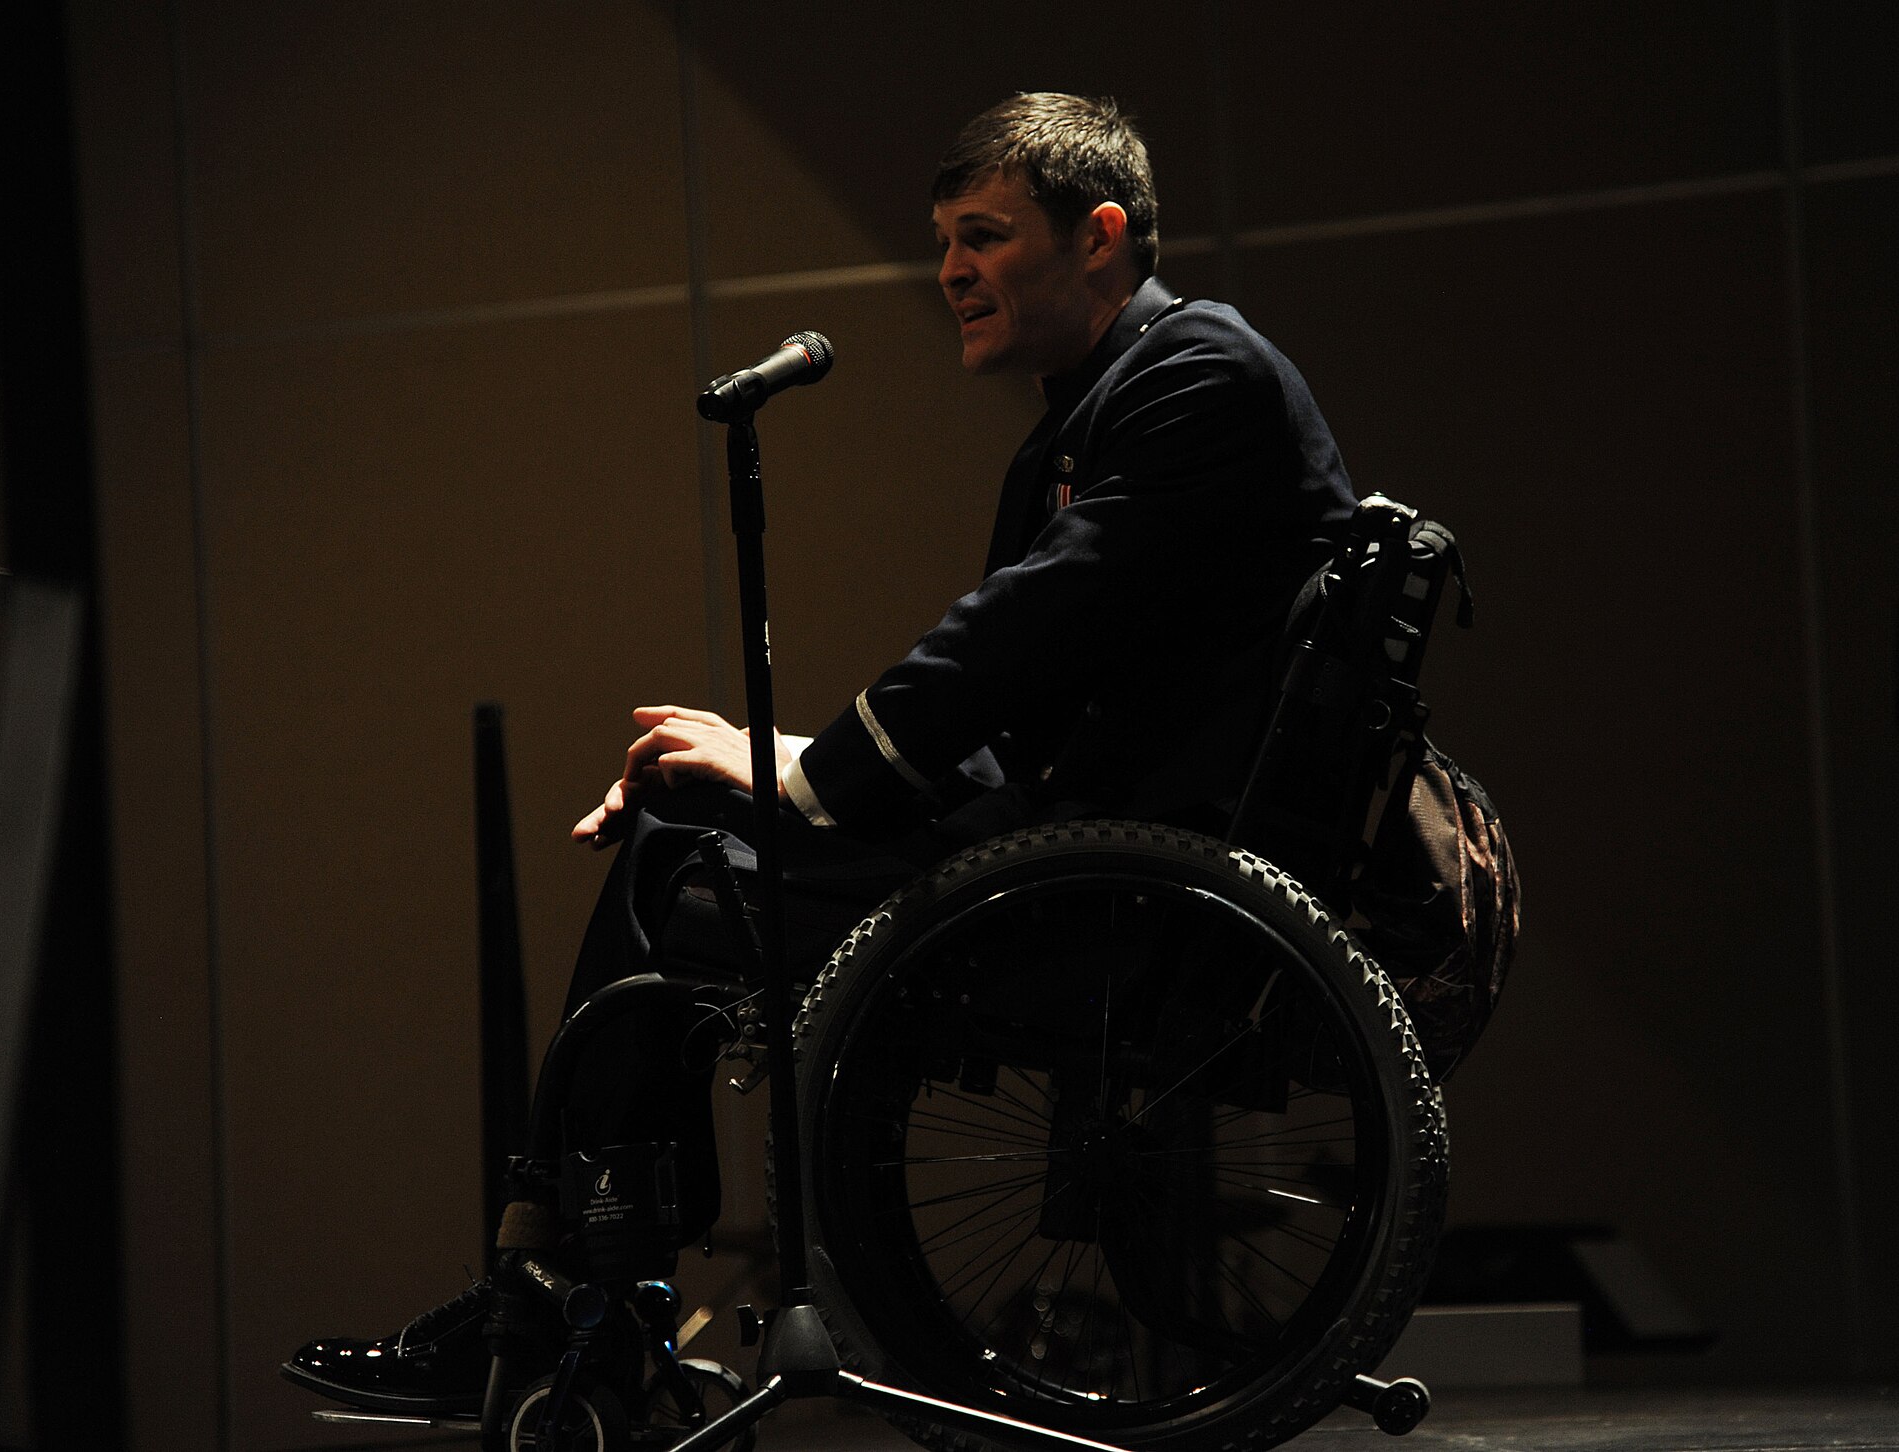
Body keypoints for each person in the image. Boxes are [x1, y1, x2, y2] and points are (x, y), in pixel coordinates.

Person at [283, 91, 1358, 1416]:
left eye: (984, 234)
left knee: (675, 866)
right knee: (683, 823)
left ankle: (575, 1306)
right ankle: (578, 1299)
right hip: (1093, 850)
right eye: (944, 240)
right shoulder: (1115, 401)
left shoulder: (1198, 378)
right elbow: (1029, 694)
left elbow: (1023, 636)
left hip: (1128, 896)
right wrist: (774, 756)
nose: (952, 270)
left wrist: (794, 775)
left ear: (1101, 237)